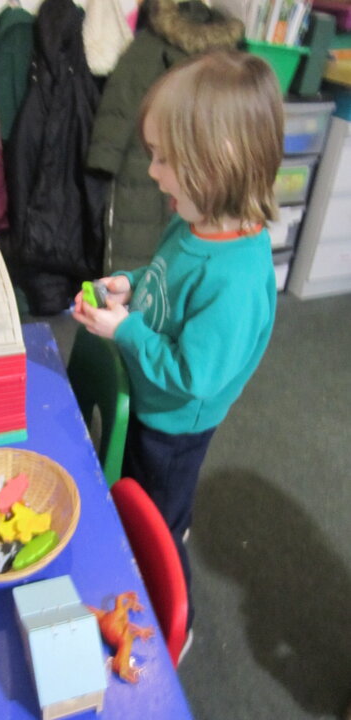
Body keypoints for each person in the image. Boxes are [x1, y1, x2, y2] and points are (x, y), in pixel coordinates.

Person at [73, 49, 284, 631]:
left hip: (173, 423)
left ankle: (175, 625)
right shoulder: (193, 222)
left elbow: (192, 376)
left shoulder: (237, 281)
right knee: (138, 491)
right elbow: (166, 278)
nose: (152, 171)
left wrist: (126, 330)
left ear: (217, 165)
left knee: (157, 526)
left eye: (165, 158)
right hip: (150, 396)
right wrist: (131, 284)